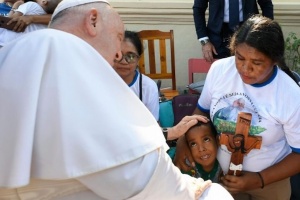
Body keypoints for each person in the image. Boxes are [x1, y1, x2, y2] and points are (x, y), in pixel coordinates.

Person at [0, 0, 234, 199]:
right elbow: (137, 172)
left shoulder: (11, 51)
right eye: (118, 36)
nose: (119, 54)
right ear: (93, 21)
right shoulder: (75, 61)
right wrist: (202, 190)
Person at [174, 15, 300, 200]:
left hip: (270, 184)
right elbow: (202, 111)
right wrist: (183, 140)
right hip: (222, 177)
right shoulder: (220, 70)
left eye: (257, 63)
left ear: (274, 61)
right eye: (239, 58)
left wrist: (258, 179)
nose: (244, 68)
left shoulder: (290, 95)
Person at [193, 0, 273, 63]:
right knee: (221, 74)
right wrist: (205, 41)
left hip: (248, 31)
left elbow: (266, 5)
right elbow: (198, 9)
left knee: (248, 69)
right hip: (218, 35)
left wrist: (266, 33)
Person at [113, 30, 159, 121]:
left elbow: (153, 125)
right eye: (118, 55)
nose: (123, 61)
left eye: (130, 56)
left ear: (138, 60)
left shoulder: (148, 87)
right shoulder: (100, 83)